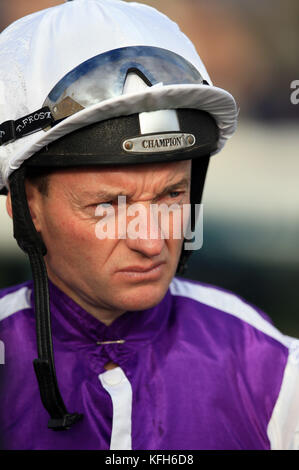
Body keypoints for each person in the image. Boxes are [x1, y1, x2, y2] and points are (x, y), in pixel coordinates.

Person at [0, 0, 298, 451]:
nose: (151, 239)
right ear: (26, 207)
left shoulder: (274, 371)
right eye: (107, 206)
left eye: (171, 195)